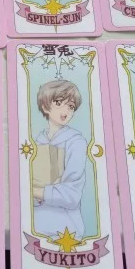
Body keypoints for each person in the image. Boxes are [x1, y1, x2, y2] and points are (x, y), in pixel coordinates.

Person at [32, 80, 87, 239]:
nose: (65, 111)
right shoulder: (34, 142)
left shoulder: (76, 142)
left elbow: (72, 194)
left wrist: (32, 191)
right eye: (58, 103)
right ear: (45, 106)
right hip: (34, 228)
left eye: (71, 106)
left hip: (66, 230)